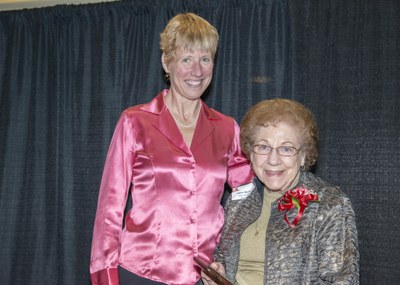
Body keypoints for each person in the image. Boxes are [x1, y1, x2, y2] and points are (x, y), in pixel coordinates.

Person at [89, 13, 254, 285]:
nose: (197, 71)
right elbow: (109, 211)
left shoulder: (227, 128)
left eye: (205, 59)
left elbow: (247, 201)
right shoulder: (135, 121)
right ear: (167, 62)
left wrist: (228, 258)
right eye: (186, 59)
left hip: (207, 277)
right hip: (141, 274)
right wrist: (105, 278)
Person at [202, 99, 359, 285]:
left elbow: (342, 280)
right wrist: (219, 273)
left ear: (303, 156)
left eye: (286, 148)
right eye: (263, 147)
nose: (273, 160)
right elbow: (222, 254)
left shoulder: (329, 204)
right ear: (251, 153)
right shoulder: (239, 200)